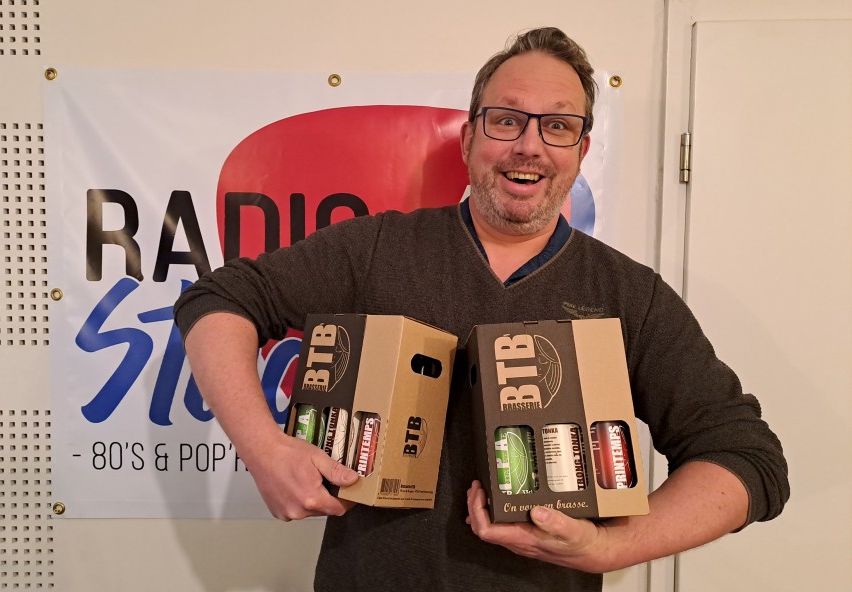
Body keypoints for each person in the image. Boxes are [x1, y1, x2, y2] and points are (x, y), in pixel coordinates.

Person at [174, 27, 789, 591]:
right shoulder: (378, 248)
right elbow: (219, 299)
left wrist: (609, 548)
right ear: (469, 139)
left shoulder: (629, 294)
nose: (529, 146)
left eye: (557, 126)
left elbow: (746, 459)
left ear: (581, 150)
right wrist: (264, 449)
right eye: (506, 121)